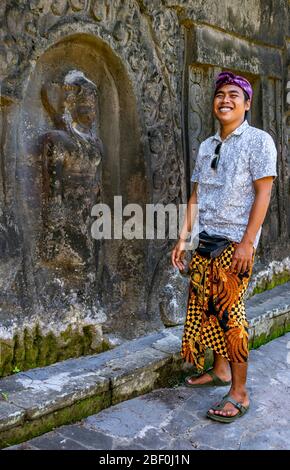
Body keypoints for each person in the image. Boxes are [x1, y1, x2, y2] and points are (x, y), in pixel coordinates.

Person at [171, 71, 277, 423]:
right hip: (205, 241)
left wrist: (248, 243)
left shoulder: (259, 141)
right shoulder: (206, 146)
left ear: (247, 104)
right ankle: (221, 371)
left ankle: (240, 392)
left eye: (234, 94)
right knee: (209, 310)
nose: (225, 100)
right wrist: (183, 237)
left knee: (232, 316)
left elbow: (264, 193)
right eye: (220, 95)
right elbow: (196, 196)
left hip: (235, 244)